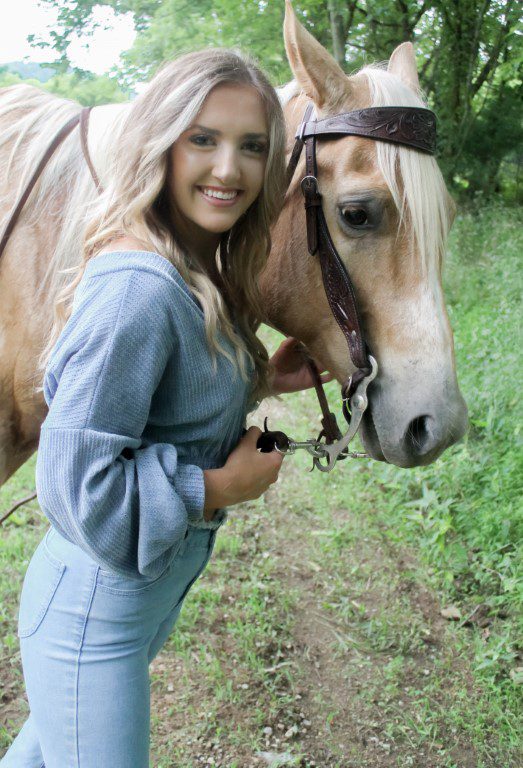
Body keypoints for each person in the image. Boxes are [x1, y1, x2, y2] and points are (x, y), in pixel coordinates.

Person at [0, 48, 332, 768]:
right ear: (160, 142)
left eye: (251, 146)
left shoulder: (189, 268)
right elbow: (72, 482)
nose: (228, 169)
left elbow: (155, 404)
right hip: (94, 610)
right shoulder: (137, 288)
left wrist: (264, 382)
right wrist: (216, 487)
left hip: (133, 597)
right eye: (202, 139)